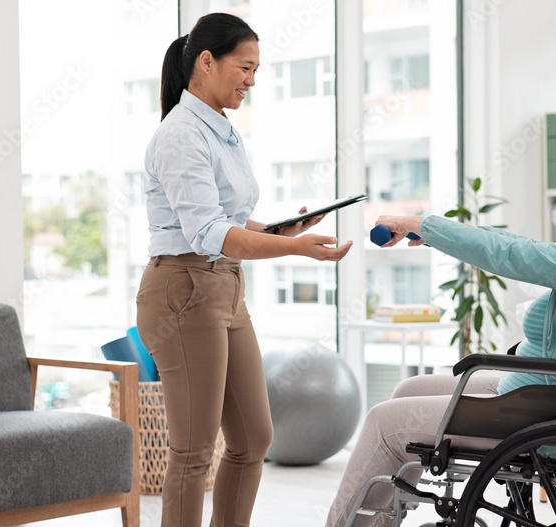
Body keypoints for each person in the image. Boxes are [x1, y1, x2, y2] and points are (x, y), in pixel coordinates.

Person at [325, 144, 556, 527]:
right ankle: (380, 518)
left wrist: (422, 225)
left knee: (382, 422)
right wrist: (439, 237)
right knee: (408, 390)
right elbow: (518, 251)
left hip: (540, 408)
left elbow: (513, 253)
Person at [135, 13, 352, 527]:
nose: (252, 80)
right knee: (192, 452)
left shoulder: (220, 129)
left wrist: (285, 231)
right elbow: (208, 233)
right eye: (245, 67)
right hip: (184, 290)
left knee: (254, 438)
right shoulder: (180, 134)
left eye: (257, 69)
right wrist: (298, 253)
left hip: (224, 288)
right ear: (206, 62)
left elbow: (227, 219)